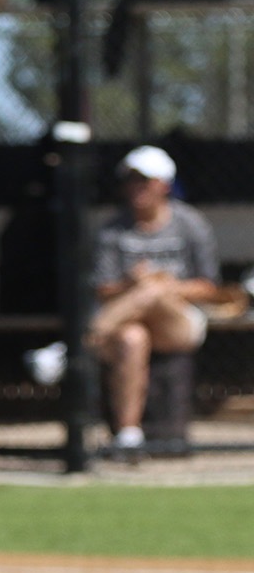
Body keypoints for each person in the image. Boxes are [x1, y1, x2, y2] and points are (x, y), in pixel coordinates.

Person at [89, 146, 220, 459]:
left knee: (154, 289)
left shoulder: (190, 224)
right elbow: (102, 290)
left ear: (164, 185)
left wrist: (165, 286)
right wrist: (131, 284)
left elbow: (210, 288)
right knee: (132, 339)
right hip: (126, 323)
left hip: (178, 323)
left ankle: (79, 346)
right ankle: (129, 437)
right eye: (130, 181)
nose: (136, 188)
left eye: (144, 181)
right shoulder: (112, 229)